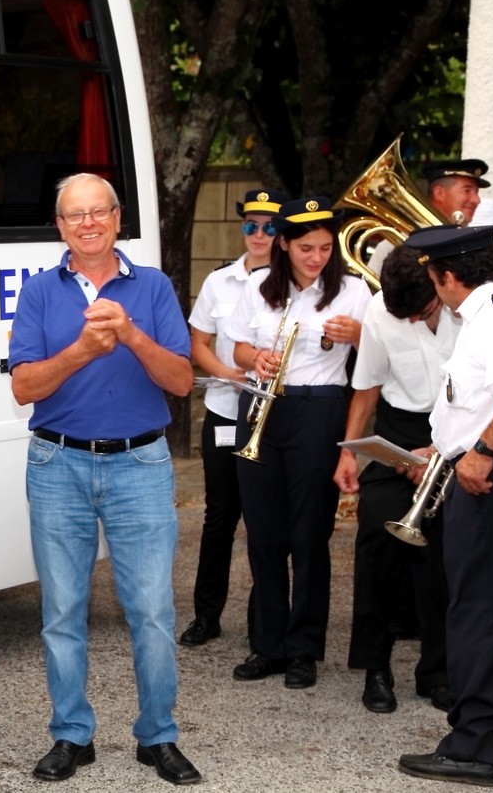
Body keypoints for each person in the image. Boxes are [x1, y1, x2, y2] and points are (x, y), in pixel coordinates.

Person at [8, 173, 200, 786]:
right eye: (74, 215)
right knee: (62, 610)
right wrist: (83, 351)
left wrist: (131, 335)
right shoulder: (39, 292)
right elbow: (24, 387)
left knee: (151, 611)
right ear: (60, 227)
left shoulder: (153, 287)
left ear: (118, 219)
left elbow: (180, 381)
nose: (87, 223)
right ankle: (71, 735)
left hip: (140, 462)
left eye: (98, 212)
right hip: (56, 463)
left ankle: (158, 737)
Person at [226, 197, 371, 689]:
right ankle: (266, 645)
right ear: (283, 243)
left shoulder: (353, 291)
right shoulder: (257, 287)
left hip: (320, 409)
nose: (316, 257)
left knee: (309, 536)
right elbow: (236, 346)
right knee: (263, 534)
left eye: (326, 248)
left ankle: (304, 649)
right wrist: (256, 358)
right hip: (263, 406)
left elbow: (376, 360)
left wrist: (360, 333)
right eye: (306, 247)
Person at [397, 225, 493, 787]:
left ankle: (472, 744)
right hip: (487, 467)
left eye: (431, 277)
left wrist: (482, 451)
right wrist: (445, 445)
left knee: (478, 608)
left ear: (447, 276)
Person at [333, 244, 458, 714]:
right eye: (398, 314)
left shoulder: (468, 309)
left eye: (420, 313)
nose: (408, 322)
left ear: (440, 287)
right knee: (376, 541)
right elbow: (367, 386)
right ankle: (376, 668)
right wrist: (350, 452)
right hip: (398, 430)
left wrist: (441, 449)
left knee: (445, 553)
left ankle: (438, 672)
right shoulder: (380, 307)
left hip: (458, 431)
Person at [179, 188, 287, 648]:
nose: (259, 234)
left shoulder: (292, 283)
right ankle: (207, 615)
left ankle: (266, 624)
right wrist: (226, 371)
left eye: (269, 226)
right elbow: (197, 341)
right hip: (226, 409)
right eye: (251, 225)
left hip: (276, 418)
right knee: (220, 516)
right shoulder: (219, 282)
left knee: (269, 520)